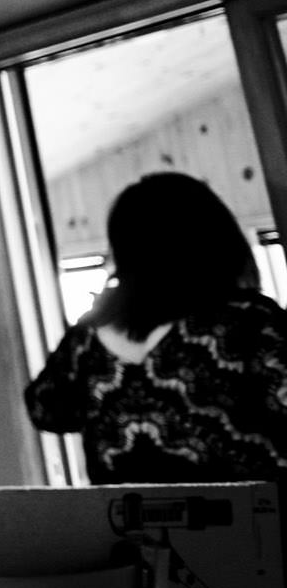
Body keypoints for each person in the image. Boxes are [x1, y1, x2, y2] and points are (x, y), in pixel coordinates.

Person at [27, 171, 287, 484]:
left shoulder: (88, 336)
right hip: (248, 514)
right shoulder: (248, 319)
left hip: (124, 514)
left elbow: (46, 411)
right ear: (215, 239)